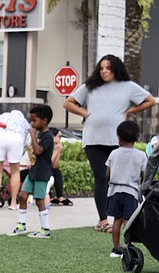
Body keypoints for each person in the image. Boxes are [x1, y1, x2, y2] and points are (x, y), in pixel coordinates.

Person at [63, 54, 155, 233]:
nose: (104, 71)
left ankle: (119, 218)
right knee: (101, 177)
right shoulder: (90, 87)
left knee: (117, 178)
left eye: (108, 68)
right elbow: (68, 103)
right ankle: (103, 220)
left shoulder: (128, 87)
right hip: (93, 139)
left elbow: (149, 101)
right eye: (102, 68)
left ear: (116, 69)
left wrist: (130, 110)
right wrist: (86, 114)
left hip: (116, 139)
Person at [7, 105, 54, 238]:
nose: (31, 124)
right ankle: (21, 225)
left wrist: (33, 136)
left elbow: (39, 151)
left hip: (41, 173)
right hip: (33, 172)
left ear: (44, 121)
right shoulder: (40, 135)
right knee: (22, 196)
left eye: (34, 120)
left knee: (39, 200)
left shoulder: (48, 136)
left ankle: (45, 229)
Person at [106, 120, 147, 257]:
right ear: (136, 138)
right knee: (128, 221)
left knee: (116, 220)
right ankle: (127, 248)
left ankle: (116, 248)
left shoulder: (114, 154)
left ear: (119, 138)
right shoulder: (141, 155)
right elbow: (144, 175)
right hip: (131, 192)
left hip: (115, 191)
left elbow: (107, 173)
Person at [0, 109, 29, 209]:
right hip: (16, 139)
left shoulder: (2, 116)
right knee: (15, 171)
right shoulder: (23, 121)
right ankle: (13, 202)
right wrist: (31, 155)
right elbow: (28, 139)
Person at [46, 127, 72, 206]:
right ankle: (48, 197)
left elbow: (54, 165)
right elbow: (47, 162)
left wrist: (58, 151)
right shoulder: (46, 145)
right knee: (49, 171)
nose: (60, 139)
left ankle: (59, 196)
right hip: (31, 168)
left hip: (46, 168)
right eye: (59, 136)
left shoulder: (55, 146)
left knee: (56, 171)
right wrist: (56, 150)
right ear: (53, 137)